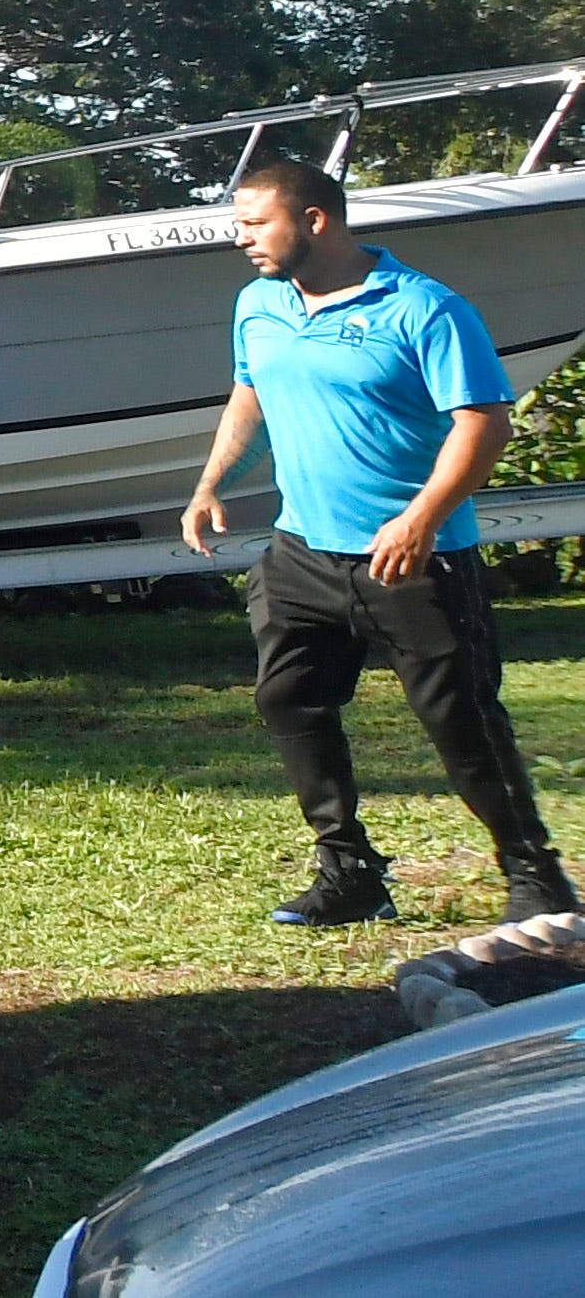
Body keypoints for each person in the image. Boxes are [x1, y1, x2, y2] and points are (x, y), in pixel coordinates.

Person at [182, 153, 575, 928]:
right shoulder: (259, 303)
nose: (243, 240)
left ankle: (536, 874)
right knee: (289, 698)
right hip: (302, 553)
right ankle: (349, 869)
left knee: (462, 722)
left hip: (415, 559)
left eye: (256, 223)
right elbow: (250, 391)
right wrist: (211, 479)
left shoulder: (425, 308)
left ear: (315, 219)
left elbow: (482, 420)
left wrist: (422, 516)